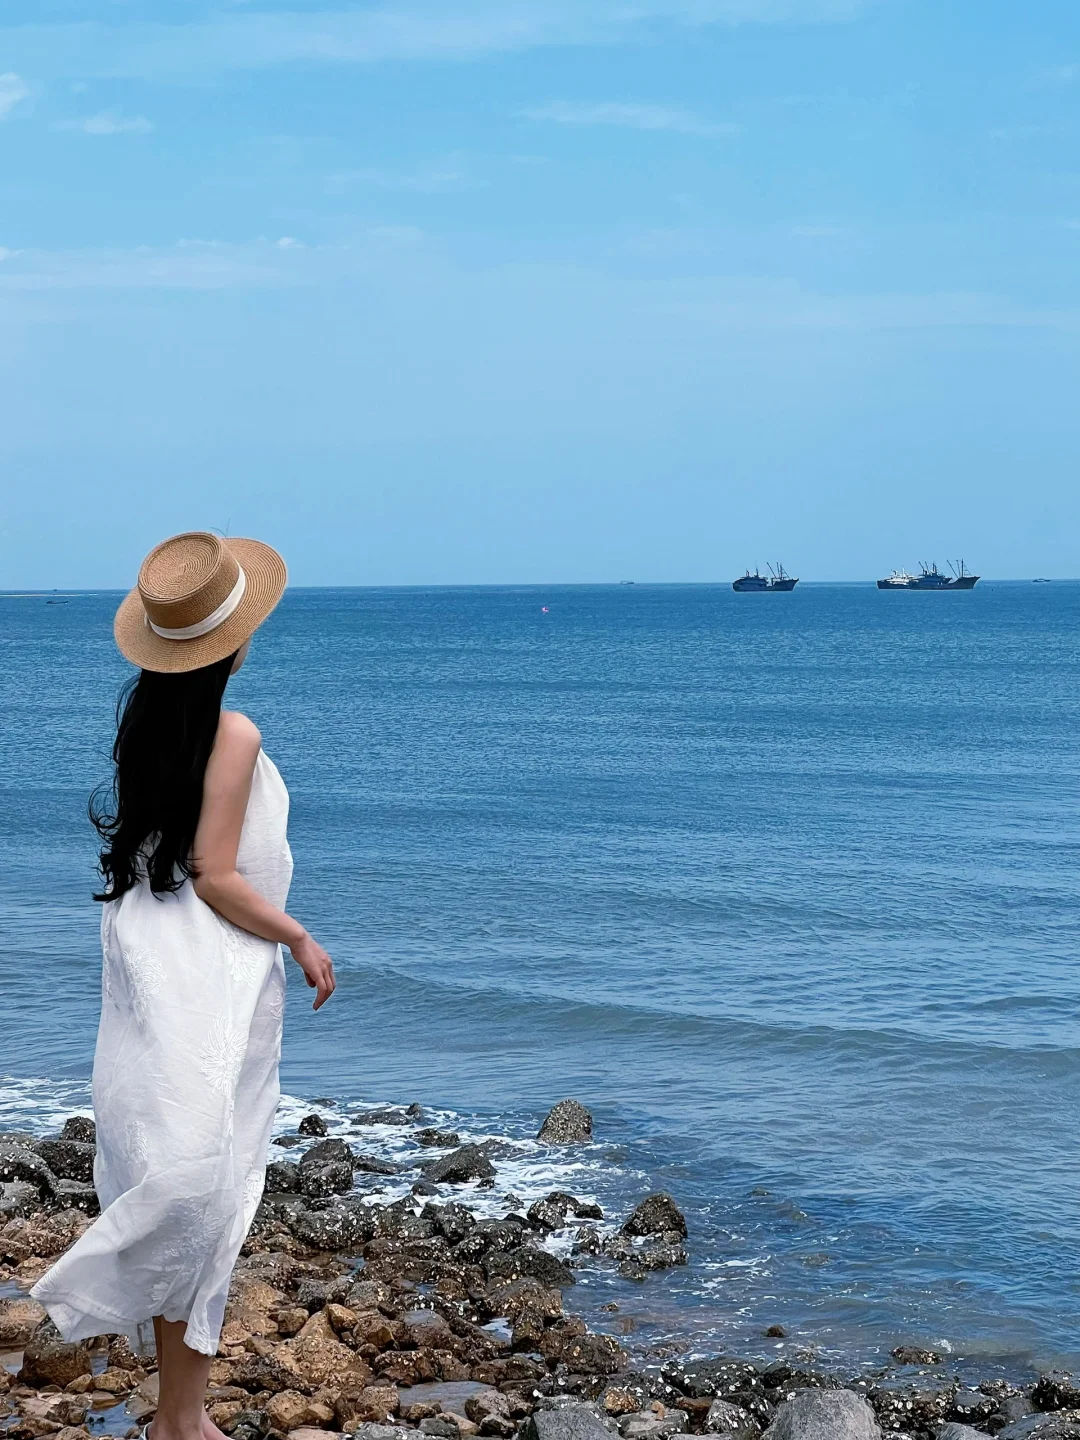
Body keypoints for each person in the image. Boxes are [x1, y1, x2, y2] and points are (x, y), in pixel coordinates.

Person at [32, 531, 336, 1440]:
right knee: (211, 1189)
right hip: (212, 967)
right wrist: (302, 939)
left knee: (175, 1176)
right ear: (232, 642)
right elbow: (215, 872)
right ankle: (176, 1411)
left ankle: (179, 1414)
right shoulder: (234, 732)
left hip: (149, 963)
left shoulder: (149, 724)